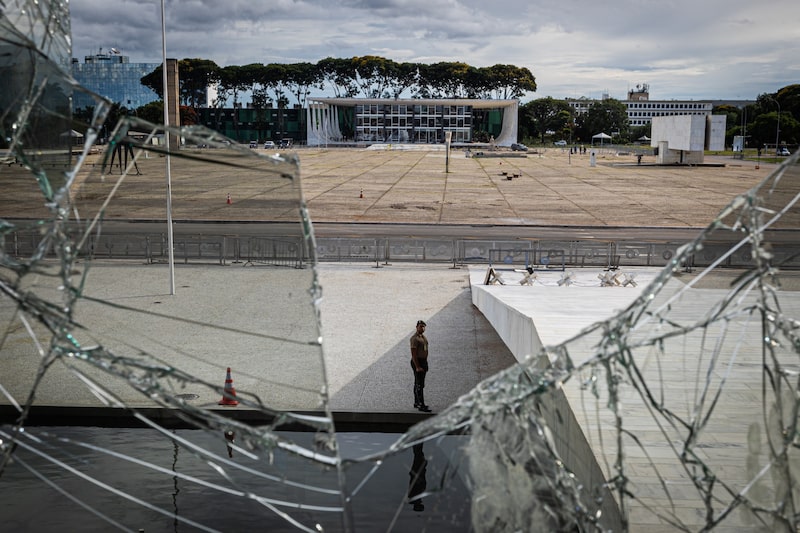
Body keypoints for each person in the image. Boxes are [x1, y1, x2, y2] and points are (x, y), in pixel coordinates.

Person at [410, 320, 431, 412]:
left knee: (418, 383)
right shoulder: (415, 339)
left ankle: (416, 402)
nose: (422, 328)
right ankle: (421, 404)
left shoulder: (423, 337)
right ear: (416, 327)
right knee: (419, 384)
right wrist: (417, 366)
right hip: (418, 361)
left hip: (423, 361)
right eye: (420, 326)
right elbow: (413, 353)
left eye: (423, 326)